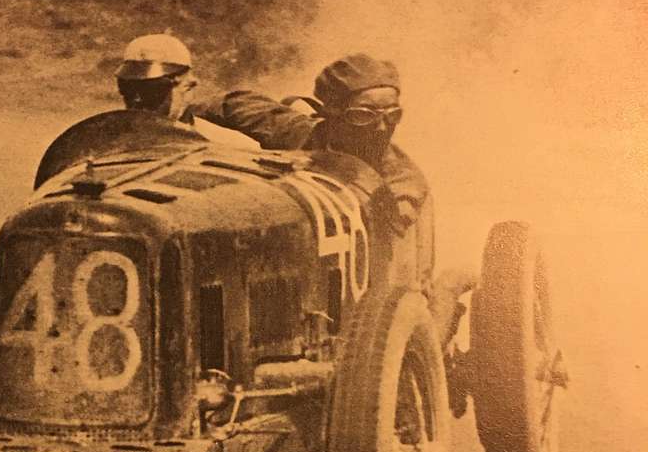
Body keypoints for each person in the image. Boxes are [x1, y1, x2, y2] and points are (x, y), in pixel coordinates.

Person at [192, 53, 434, 288]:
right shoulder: (301, 133)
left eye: (393, 115)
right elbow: (237, 105)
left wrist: (401, 206)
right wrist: (183, 112)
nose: (382, 127)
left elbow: (405, 188)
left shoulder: (397, 171)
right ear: (331, 114)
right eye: (363, 115)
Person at [115, 33, 199, 122]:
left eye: (150, 91)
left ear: (187, 88)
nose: (136, 100)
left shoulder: (210, 135)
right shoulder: (111, 133)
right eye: (128, 89)